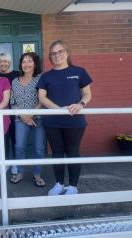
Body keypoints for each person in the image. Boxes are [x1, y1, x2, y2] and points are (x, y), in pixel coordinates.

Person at [37, 40, 92, 195]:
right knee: (57, 152)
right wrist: (58, 109)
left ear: (67, 53)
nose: (57, 56)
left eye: (60, 52)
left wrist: (81, 104)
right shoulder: (46, 76)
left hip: (75, 120)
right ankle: (59, 184)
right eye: (53, 53)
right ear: (50, 57)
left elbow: (87, 94)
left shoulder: (79, 71)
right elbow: (42, 97)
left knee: (73, 151)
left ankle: (73, 186)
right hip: (52, 121)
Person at [9, 52, 46, 187]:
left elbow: (43, 99)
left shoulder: (41, 78)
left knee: (39, 148)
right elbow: (12, 102)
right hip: (20, 119)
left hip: (39, 118)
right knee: (19, 146)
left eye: (29, 61)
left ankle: (37, 174)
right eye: (24, 61)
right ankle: (20, 172)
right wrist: (23, 117)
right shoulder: (15, 81)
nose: (26, 64)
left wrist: (31, 115)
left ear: (35, 63)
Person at [0, 53, 20, 174]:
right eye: (1, 61)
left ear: (9, 62)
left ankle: (15, 164)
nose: (3, 64)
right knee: (3, 139)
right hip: (1, 113)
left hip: (14, 112)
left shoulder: (17, 74)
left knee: (15, 139)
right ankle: (4, 162)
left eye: (5, 61)